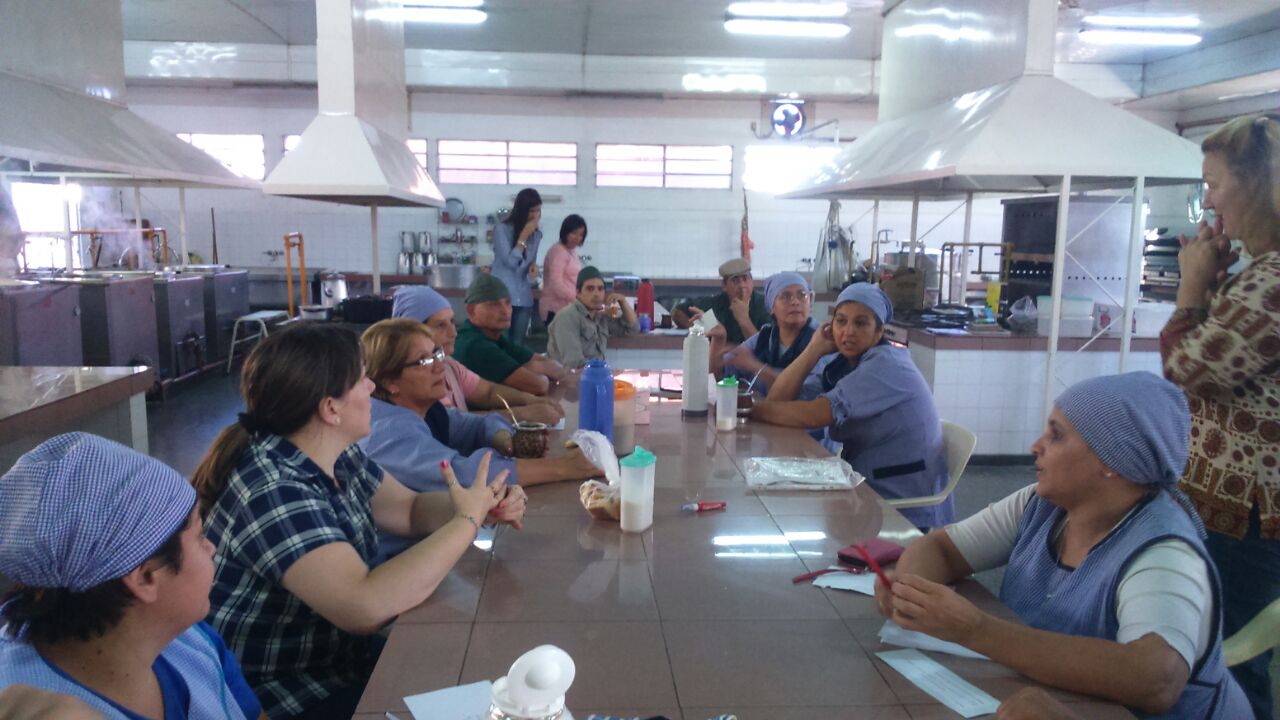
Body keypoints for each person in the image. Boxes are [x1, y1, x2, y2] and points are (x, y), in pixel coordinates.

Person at [192, 324, 523, 719]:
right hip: (283, 690)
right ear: (330, 408)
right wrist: (466, 520)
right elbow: (363, 606)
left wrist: (480, 505)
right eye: (362, 379)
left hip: (339, 660)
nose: (371, 388)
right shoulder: (274, 487)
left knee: (476, 676)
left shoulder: (334, 453)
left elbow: (409, 508)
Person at [873, 372, 1251, 719]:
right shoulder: (1041, 505)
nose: (1035, 446)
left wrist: (975, 630)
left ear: (1111, 460)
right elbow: (941, 548)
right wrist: (913, 593)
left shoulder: (1164, 554)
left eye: (1056, 436)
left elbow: (1156, 679)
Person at [0, 433, 264, 720]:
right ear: (145, 576)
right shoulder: (34, 709)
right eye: (200, 536)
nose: (211, 548)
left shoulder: (186, 638)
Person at [1160, 113, 1280, 720]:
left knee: (1228, 658)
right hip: (1237, 507)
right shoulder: (1260, 274)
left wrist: (1190, 290)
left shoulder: (1274, 280)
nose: (1207, 201)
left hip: (1248, 512)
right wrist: (1211, 289)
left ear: (1257, 186)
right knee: (1221, 647)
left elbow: (1189, 367)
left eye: (1213, 184)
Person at [361, 319, 602, 557]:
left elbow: (474, 425)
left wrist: (504, 440)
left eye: (437, 354)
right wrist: (564, 467)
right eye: (424, 361)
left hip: (429, 545)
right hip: (391, 560)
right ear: (390, 382)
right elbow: (465, 477)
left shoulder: (426, 410)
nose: (440, 367)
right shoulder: (389, 432)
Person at [753, 283, 952, 528]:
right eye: (841, 321)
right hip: (864, 486)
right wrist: (813, 350)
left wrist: (747, 408)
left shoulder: (886, 365)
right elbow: (778, 400)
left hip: (902, 505)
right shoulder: (845, 364)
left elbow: (814, 414)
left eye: (860, 323)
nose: (848, 332)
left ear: (879, 331)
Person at [391, 285, 564, 425]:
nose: (453, 332)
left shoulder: (449, 364)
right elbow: (456, 424)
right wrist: (522, 414)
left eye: (452, 322)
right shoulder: (416, 378)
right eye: (440, 325)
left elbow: (488, 392)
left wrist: (529, 400)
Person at [452, 273, 566, 396]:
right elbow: (539, 384)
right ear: (471, 310)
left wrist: (517, 369)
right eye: (494, 304)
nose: (505, 311)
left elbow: (554, 368)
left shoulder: (494, 337)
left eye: (507, 303)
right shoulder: (474, 344)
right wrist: (527, 368)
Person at [710, 271, 818, 395]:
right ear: (772, 307)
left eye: (802, 295)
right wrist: (718, 340)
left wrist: (755, 367)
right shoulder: (765, 337)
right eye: (786, 296)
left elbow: (808, 391)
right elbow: (720, 375)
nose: (795, 302)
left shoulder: (820, 340)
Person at [546, 266, 639, 368]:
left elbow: (632, 329)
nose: (596, 294)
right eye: (590, 289)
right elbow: (574, 364)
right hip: (572, 377)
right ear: (578, 293)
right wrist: (605, 373)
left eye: (600, 289)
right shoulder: (567, 317)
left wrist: (623, 302)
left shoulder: (600, 315)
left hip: (595, 374)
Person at [671, 257, 771, 345]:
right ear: (724, 286)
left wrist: (744, 319)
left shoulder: (764, 304)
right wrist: (697, 331)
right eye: (735, 281)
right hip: (720, 358)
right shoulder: (716, 305)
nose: (742, 286)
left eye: (745, 279)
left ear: (752, 282)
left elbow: (765, 348)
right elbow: (678, 312)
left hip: (754, 360)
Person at [489, 187, 543, 345]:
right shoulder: (502, 229)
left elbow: (531, 260)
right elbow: (511, 262)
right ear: (521, 210)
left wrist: (533, 267)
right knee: (502, 343)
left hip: (523, 296)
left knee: (518, 345)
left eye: (538, 211)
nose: (535, 216)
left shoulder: (537, 234)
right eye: (531, 211)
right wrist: (524, 235)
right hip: (502, 297)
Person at [541, 214, 587, 325]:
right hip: (556, 309)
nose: (577, 238)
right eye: (574, 233)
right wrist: (578, 298)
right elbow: (556, 284)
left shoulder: (571, 250)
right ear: (565, 232)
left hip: (567, 307)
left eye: (581, 235)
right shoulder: (559, 252)